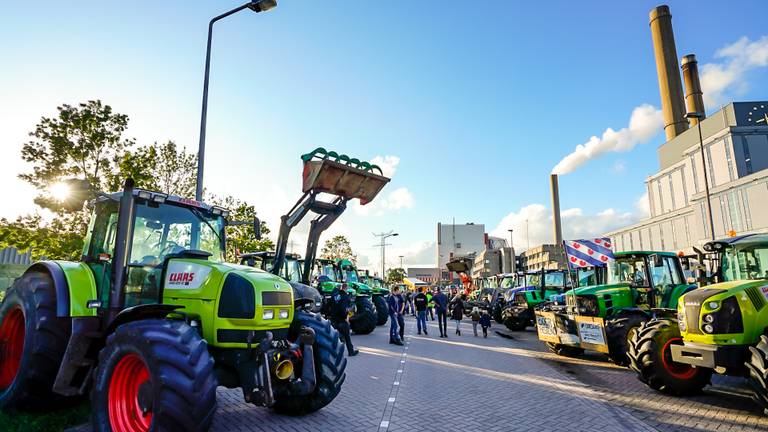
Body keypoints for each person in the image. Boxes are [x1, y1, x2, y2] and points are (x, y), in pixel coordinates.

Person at [329, 283, 358, 356]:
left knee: (333, 337)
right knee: (347, 337)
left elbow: (329, 306)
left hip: (334, 319)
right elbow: (343, 309)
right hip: (341, 320)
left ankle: (332, 353)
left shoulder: (335, 296)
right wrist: (345, 317)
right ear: (346, 288)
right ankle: (351, 351)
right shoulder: (345, 296)